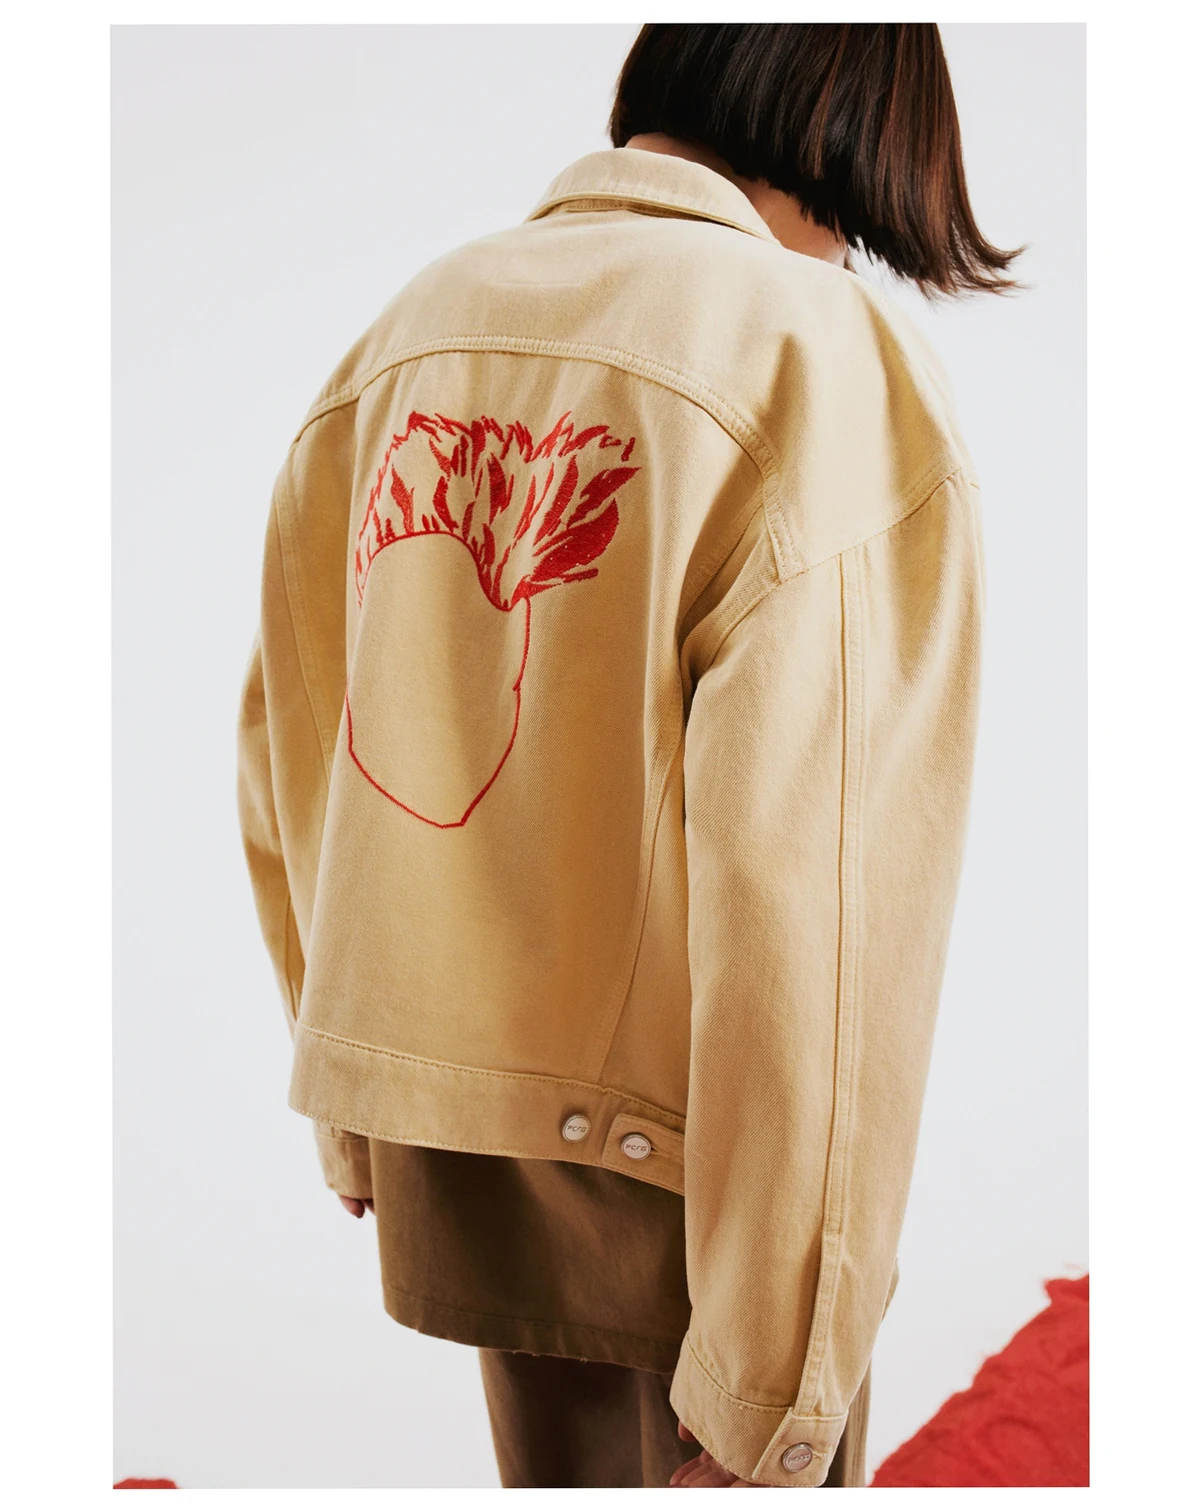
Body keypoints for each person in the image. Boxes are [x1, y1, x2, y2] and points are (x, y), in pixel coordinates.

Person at [236, 22, 1020, 1490]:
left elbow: (294, 722)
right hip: (701, 1181)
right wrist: (776, 1369)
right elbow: (819, 895)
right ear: (855, 128)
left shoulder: (413, 325)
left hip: (458, 1147)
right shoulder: (809, 353)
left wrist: (359, 1099)